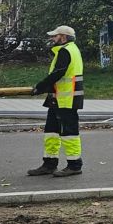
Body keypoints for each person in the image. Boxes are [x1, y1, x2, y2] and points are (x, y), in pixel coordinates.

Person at [27, 25, 85, 177]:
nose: (52, 38)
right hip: (58, 99)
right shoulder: (69, 50)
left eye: (55, 36)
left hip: (66, 100)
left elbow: (58, 74)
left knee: (69, 133)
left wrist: (40, 87)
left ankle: (74, 165)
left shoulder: (66, 51)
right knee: (51, 132)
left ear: (63, 37)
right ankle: (49, 163)